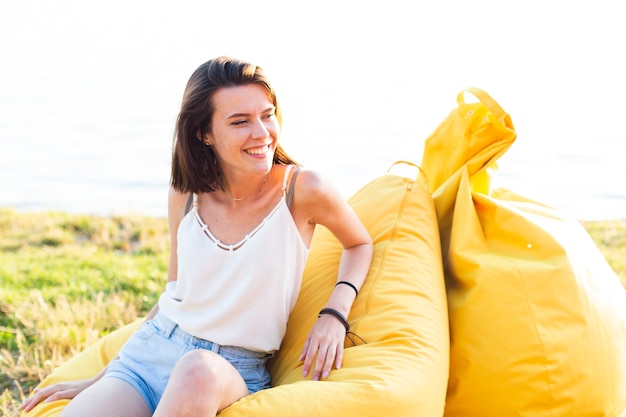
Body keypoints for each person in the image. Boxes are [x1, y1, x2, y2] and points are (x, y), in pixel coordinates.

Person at [20, 56, 374, 417]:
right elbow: (176, 289)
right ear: (204, 134)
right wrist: (101, 376)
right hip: (149, 356)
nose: (261, 132)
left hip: (226, 369)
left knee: (197, 370)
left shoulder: (303, 189)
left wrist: (334, 314)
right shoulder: (184, 194)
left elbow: (359, 243)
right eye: (240, 121)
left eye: (267, 115)